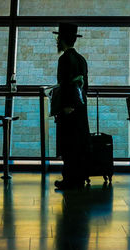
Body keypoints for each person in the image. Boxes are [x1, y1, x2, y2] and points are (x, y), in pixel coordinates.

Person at [53, 23, 91, 190]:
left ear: (61, 40)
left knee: (67, 145)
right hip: (81, 107)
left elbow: (63, 85)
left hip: (68, 107)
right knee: (78, 144)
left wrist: (66, 106)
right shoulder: (81, 59)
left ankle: (68, 179)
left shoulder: (64, 59)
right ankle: (79, 177)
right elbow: (84, 86)